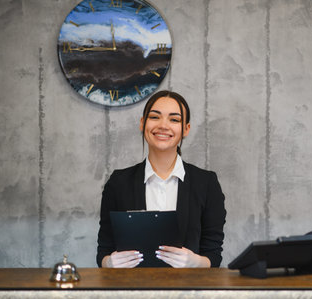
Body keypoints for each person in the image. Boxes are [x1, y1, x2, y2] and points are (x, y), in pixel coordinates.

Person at [96, 90, 226, 268]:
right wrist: (109, 263)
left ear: (186, 129)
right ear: (143, 123)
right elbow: (104, 251)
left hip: (189, 292)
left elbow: (213, 255)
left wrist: (195, 262)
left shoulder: (206, 183)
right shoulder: (118, 183)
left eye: (174, 119)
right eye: (155, 117)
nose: (163, 125)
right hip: (133, 291)